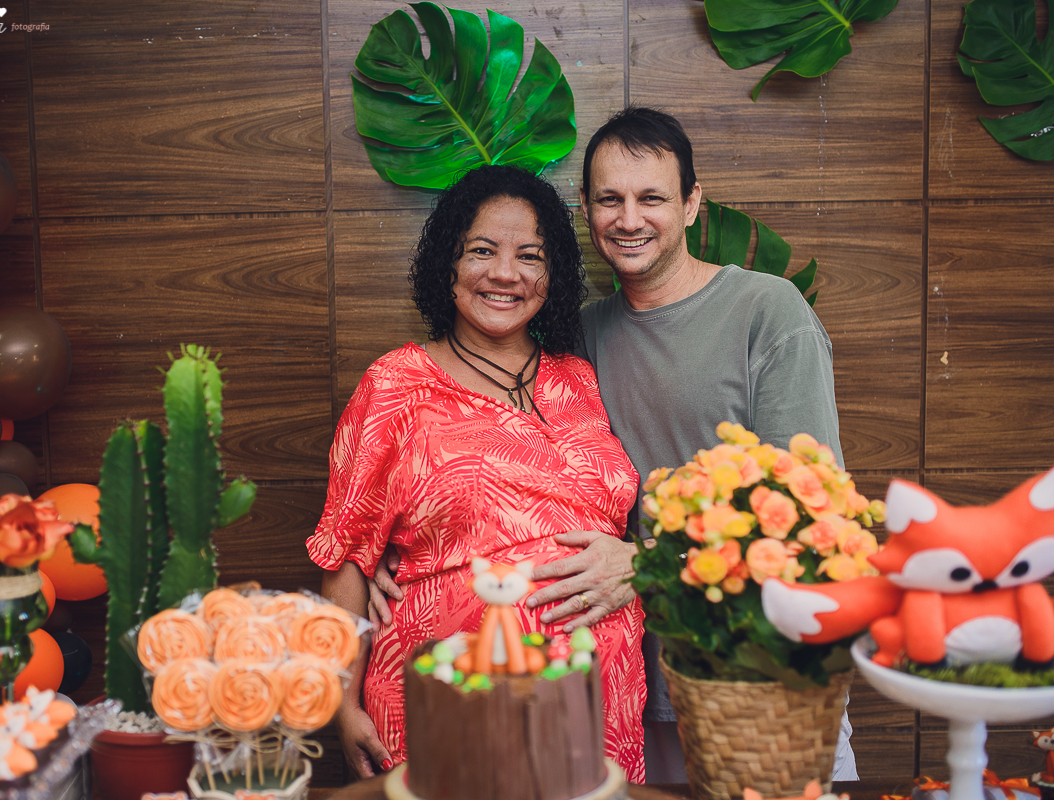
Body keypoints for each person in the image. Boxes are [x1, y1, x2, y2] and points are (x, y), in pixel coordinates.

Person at [370, 108, 850, 783]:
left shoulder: (767, 314)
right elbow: (491, 457)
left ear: (690, 205)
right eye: (609, 200)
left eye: (652, 198)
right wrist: (405, 554)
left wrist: (648, 561)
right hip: (631, 683)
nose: (630, 218)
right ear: (587, 212)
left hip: (750, 671)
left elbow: (813, 520)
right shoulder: (575, 338)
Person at [307, 165, 648, 783]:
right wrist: (342, 700)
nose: (505, 274)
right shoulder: (397, 384)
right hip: (446, 712)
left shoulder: (580, 378)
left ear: (553, 275)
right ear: (450, 264)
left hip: (598, 707)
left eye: (530, 256)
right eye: (482, 251)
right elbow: (348, 552)